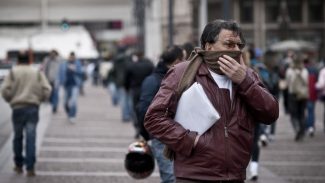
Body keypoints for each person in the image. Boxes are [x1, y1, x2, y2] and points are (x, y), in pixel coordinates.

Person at [144, 19, 279, 182]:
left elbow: (271, 113)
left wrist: (244, 81)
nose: (236, 50)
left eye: (239, 45)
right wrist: (190, 141)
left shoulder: (247, 75)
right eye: (229, 44)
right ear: (209, 46)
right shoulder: (182, 73)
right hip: (195, 176)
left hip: (234, 176)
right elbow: (153, 118)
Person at [137, 45, 184, 183]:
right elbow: (143, 109)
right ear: (177, 61)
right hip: (162, 135)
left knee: (175, 176)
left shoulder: (176, 78)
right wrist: (146, 134)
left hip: (179, 134)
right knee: (171, 177)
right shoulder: (154, 80)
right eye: (184, 59)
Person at [1, 51, 51, 176]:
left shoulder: (13, 72)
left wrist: (10, 99)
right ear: (29, 60)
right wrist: (40, 99)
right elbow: (47, 89)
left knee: (17, 137)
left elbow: (4, 90)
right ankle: (30, 167)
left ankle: (18, 165)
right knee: (31, 138)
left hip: (17, 108)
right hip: (32, 108)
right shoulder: (36, 72)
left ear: (17, 60)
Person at [124, 50, 154, 138]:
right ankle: (145, 127)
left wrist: (127, 88)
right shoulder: (150, 65)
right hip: (147, 89)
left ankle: (138, 127)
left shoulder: (132, 66)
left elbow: (126, 79)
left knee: (136, 110)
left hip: (135, 90)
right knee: (146, 109)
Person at [285, 53, 308, 141]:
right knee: (302, 114)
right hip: (303, 95)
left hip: (293, 94)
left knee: (293, 115)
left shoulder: (290, 70)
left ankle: (297, 128)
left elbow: (287, 82)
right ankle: (302, 131)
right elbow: (306, 83)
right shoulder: (305, 70)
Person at [59, 52, 83, 123]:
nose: (71, 58)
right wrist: (60, 82)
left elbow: (81, 73)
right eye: (70, 57)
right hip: (66, 85)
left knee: (73, 101)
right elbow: (60, 73)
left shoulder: (77, 63)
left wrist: (74, 70)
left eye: (73, 57)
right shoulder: (64, 64)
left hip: (75, 85)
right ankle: (69, 113)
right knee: (65, 103)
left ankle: (72, 116)